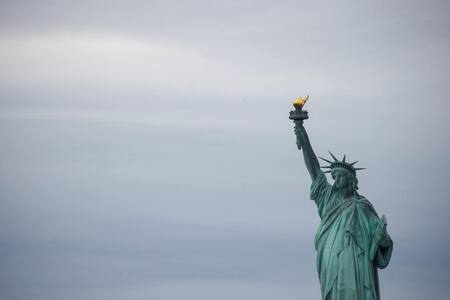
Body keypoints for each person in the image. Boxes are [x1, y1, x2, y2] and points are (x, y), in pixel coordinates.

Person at [293, 120, 393, 300]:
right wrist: (304, 137)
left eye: (340, 177)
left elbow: (378, 241)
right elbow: (314, 169)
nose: (336, 180)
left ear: (351, 180)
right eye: (334, 177)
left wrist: (382, 238)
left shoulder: (363, 207)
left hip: (357, 263)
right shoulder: (328, 198)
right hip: (332, 260)